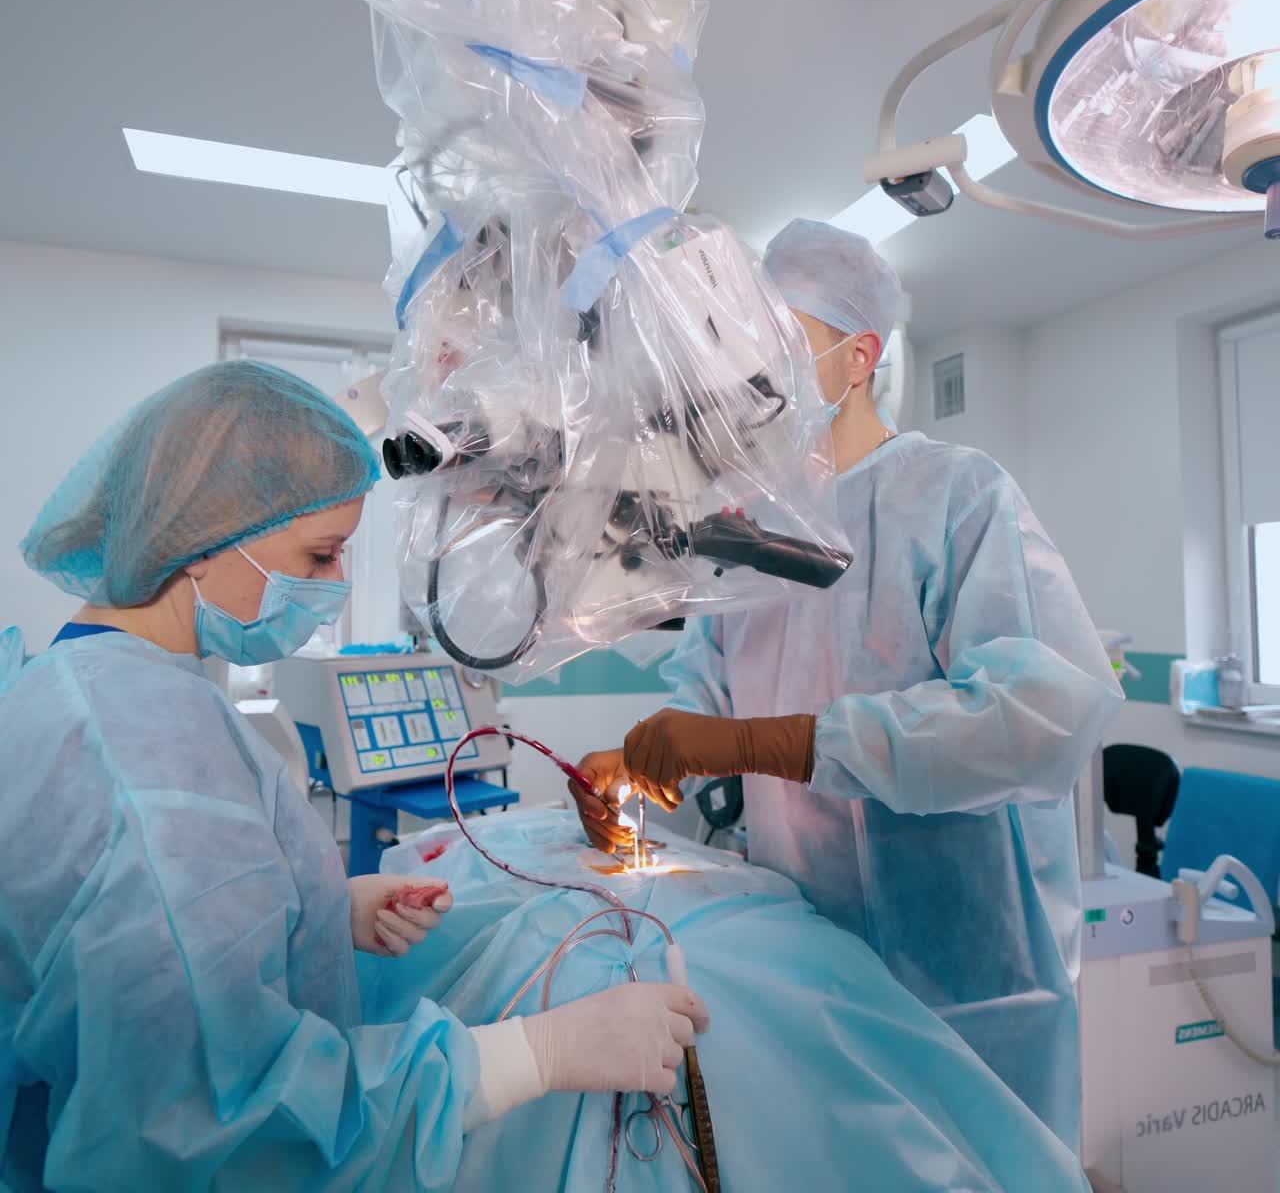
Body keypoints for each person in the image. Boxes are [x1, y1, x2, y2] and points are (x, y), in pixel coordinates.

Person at [0, 361, 707, 1193]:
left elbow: (130, 949)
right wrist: (539, 1053)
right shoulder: (146, 775)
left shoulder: (77, 684)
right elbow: (220, 1129)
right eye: (322, 553)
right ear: (202, 538)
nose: (335, 587)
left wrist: (313, 909)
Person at [570, 218, 1123, 1151]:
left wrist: (769, 744)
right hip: (800, 950)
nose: (757, 375)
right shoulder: (745, 536)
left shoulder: (957, 494)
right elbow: (708, 700)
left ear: (858, 355)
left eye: (783, 346)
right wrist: (643, 770)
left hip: (966, 978)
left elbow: (1038, 717)